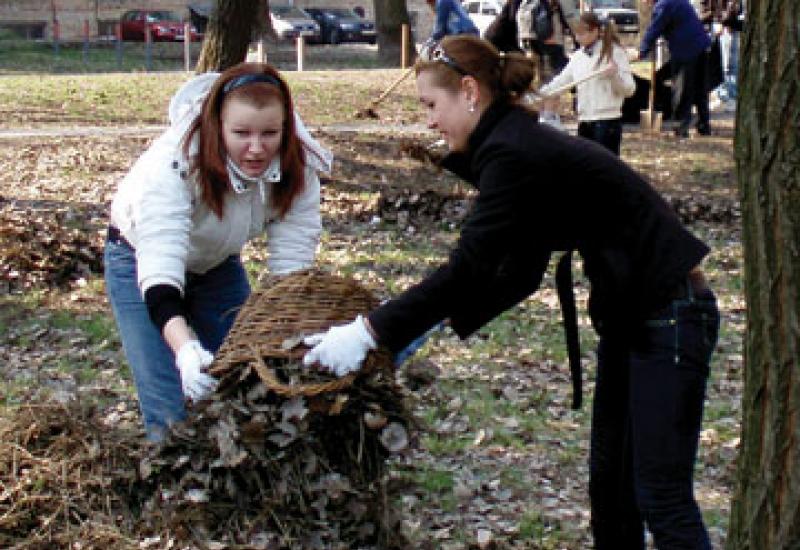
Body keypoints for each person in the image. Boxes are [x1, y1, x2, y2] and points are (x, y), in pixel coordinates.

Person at [303, 35, 720, 549]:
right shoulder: (515, 144)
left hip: (671, 317)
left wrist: (370, 332)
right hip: (633, 318)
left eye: (432, 106)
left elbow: (467, 268)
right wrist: (420, 328)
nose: (429, 121)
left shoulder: (513, 152)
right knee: (611, 493)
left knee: (661, 498)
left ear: (470, 92)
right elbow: (518, 272)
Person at [105, 62, 331, 441]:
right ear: (217, 126)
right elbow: (160, 272)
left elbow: (291, 269)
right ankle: (174, 489)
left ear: (286, 129)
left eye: (270, 134)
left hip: (217, 266)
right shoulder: (174, 165)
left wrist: (287, 333)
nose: (257, 149)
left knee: (248, 378)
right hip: (137, 261)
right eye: (241, 133)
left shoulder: (298, 166)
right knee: (170, 411)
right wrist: (185, 351)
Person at [539, 12, 636, 155]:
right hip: (585, 121)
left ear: (595, 31)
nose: (577, 38)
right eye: (576, 34)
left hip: (607, 122)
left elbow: (629, 89)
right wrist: (540, 94)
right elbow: (561, 82)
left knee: (605, 168)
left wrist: (614, 76)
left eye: (582, 34)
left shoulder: (614, 53)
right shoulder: (578, 57)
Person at [484, 0, 578, 127]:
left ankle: (540, 107)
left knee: (540, 75)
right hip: (547, 39)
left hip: (527, 40)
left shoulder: (520, 4)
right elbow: (569, 17)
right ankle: (546, 108)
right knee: (558, 74)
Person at [638, 0, 712, 137]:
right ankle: (704, 125)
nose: (645, 4)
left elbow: (655, 28)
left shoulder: (663, 5)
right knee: (700, 89)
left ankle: (681, 127)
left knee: (682, 89)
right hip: (701, 46)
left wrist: (642, 50)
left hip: (685, 49)